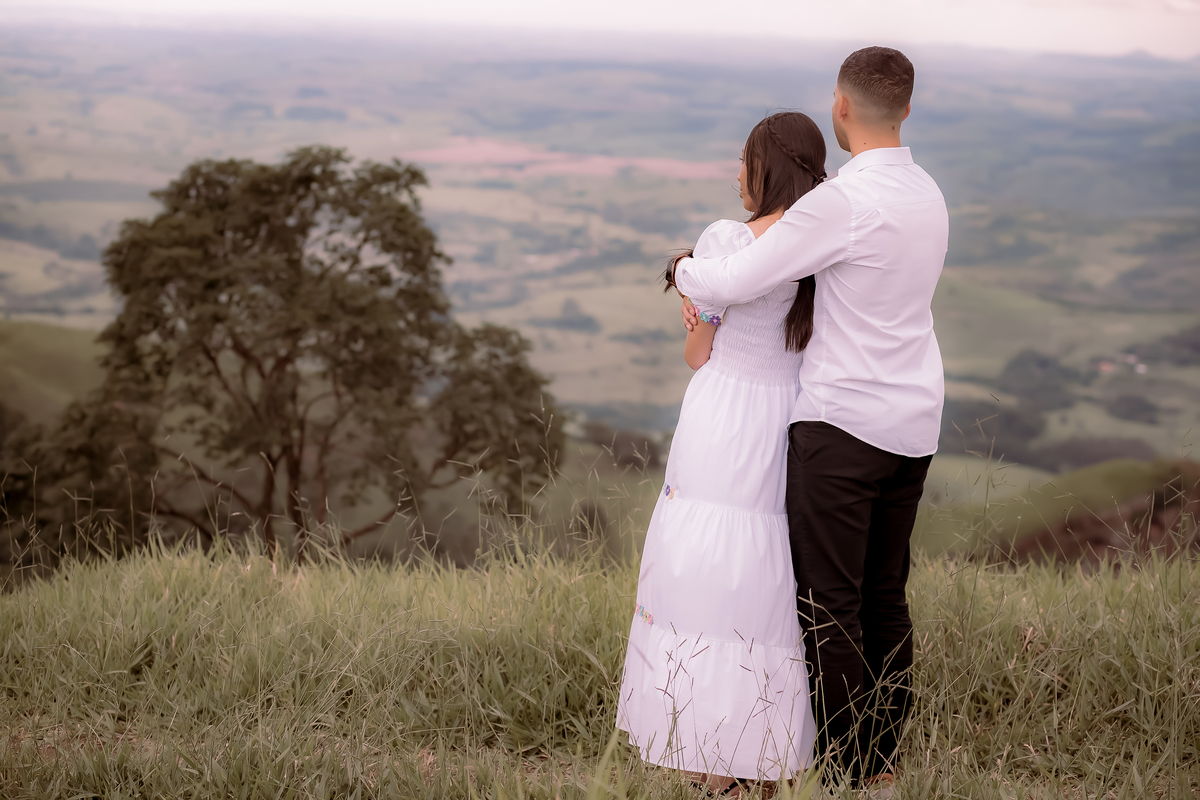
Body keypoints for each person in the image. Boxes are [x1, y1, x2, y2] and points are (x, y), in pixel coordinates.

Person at [675, 46, 948, 792]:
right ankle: (882, 761)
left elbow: (737, 277)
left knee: (828, 608)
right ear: (908, 108)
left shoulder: (842, 201)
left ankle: (850, 770)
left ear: (840, 105)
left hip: (842, 426)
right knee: (884, 596)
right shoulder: (928, 193)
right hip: (914, 422)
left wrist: (679, 271)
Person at [616, 111, 827, 796]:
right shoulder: (821, 248)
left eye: (743, 161)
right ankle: (761, 757)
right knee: (765, 583)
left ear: (765, 169)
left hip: (724, 415)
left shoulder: (727, 240)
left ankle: (709, 761)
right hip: (786, 418)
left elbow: (697, 350)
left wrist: (685, 274)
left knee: (703, 576)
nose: (737, 174)